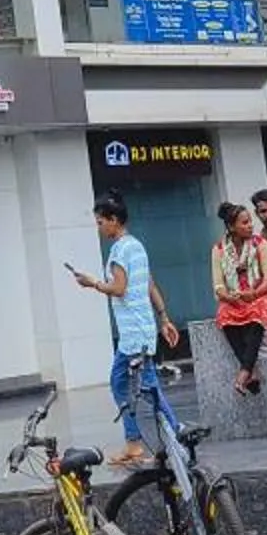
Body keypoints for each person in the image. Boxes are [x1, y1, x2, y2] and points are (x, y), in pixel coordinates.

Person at [70, 193, 178, 465]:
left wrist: (92, 283)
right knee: (127, 384)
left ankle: (171, 435)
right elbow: (149, 284)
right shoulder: (137, 246)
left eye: (100, 222)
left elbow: (119, 289)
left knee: (141, 387)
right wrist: (164, 317)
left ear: (113, 220)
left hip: (133, 335)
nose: (99, 228)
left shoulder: (119, 250)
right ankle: (137, 442)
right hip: (142, 330)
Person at [210, 201, 267, 394]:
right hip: (235, 299)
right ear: (231, 227)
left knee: (257, 314)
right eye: (244, 223)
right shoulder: (218, 249)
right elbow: (218, 286)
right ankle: (252, 370)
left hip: (259, 294)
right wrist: (230, 297)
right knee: (224, 316)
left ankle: (244, 373)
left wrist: (254, 293)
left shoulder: (260, 243)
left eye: (250, 221)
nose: (250, 225)